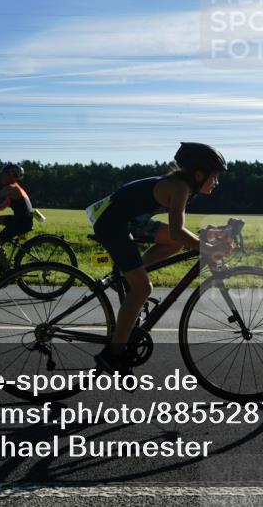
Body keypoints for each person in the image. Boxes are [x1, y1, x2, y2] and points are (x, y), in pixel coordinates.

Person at [86, 143, 232, 374]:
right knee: (143, 289)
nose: (217, 182)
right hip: (113, 224)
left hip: (130, 219)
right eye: (214, 176)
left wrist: (206, 240)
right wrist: (207, 247)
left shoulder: (181, 186)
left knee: (173, 244)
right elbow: (177, 230)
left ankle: (131, 276)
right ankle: (112, 355)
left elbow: (176, 234)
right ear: (198, 174)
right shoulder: (180, 188)